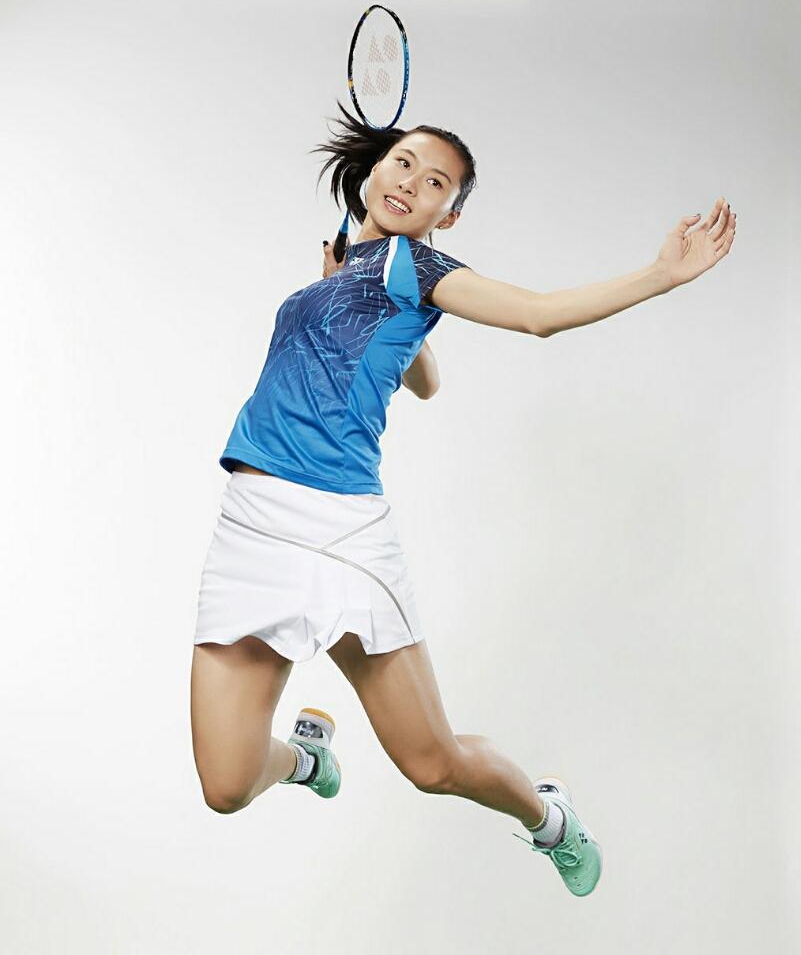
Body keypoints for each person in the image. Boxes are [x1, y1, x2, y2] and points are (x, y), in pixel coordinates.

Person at [190, 101, 737, 898]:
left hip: (340, 529)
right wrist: (356, 296)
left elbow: (538, 316)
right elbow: (427, 381)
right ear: (377, 167)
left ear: (449, 214)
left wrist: (661, 274)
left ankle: (550, 818)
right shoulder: (354, 268)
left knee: (432, 764)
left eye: (436, 182)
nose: (412, 182)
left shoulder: (418, 266)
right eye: (405, 162)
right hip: (252, 525)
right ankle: (308, 759)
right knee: (226, 784)